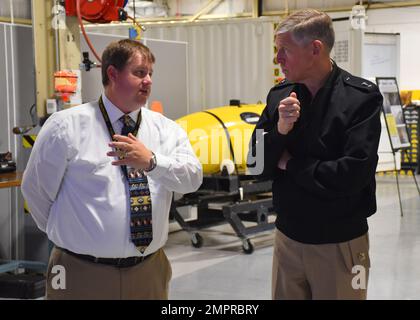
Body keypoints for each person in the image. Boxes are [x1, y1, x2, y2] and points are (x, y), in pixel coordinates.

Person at [22, 39, 203, 299]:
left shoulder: (166, 130)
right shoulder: (66, 127)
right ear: (112, 73)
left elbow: (192, 180)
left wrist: (153, 162)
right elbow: (35, 191)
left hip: (148, 270)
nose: (148, 81)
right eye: (140, 73)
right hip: (78, 270)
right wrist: (72, 238)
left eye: (151, 73)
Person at [248, 9, 382, 300]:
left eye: (284, 50)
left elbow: (350, 176)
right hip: (287, 241)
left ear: (315, 49)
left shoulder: (361, 98)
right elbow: (255, 164)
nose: (277, 59)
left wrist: (291, 164)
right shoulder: (278, 97)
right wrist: (281, 131)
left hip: (341, 245)